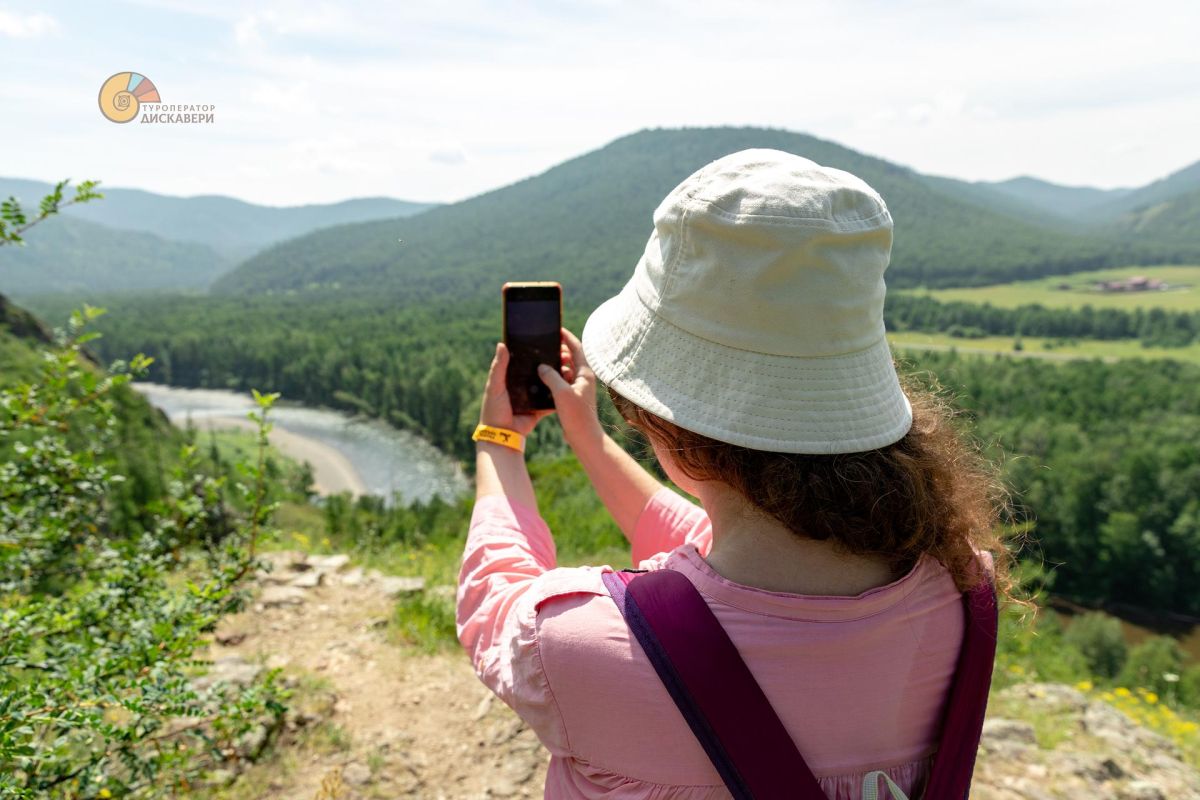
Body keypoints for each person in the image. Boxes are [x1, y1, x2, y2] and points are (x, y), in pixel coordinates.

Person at [457, 149, 1011, 799]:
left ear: (667, 426)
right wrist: (589, 437)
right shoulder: (961, 588)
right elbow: (728, 552)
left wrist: (499, 441)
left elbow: (492, 597)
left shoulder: (587, 646)